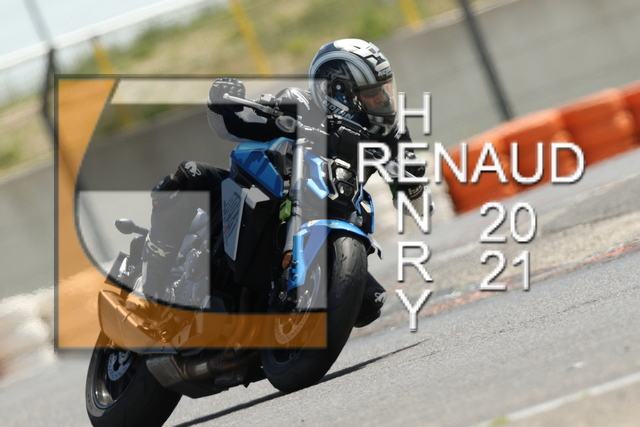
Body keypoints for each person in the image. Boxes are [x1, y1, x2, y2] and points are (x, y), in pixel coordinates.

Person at [138, 39, 428, 328]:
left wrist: (413, 183)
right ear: (340, 91)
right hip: (274, 191)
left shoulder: (391, 134)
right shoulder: (299, 103)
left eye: (385, 89)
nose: (384, 99)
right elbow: (230, 126)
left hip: (330, 220)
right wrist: (220, 103)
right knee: (191, 175)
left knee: (367, 305)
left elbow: (417, 207)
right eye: (373, 93)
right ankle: (150, 289)